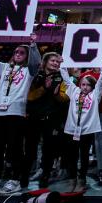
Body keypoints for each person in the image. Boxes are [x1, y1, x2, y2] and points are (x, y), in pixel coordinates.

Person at [0, 28, 40, 194]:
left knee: (15, 148)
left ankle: (15, 179)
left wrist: (33, 45)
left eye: (22, 52)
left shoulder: (29, 71)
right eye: (16, 52)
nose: (18, 54)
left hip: (16, 112)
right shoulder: (5, 68)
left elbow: (36, 63)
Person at [61, 64, 102, 192]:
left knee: (84, 156)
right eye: (83, 84)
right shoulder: (74, 91)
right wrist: (63, 64)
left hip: (86, 131)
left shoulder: (95, 95)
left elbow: (101, 81)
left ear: (92, 87)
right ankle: (72, 180)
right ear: (79, 85)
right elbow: (65, 78)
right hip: (72, 130)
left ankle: (82, 180)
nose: (85, 87)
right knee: (71, 156)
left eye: (88, 85)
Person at [26, 52, 69, 189]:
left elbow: (65, 98)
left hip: (52, 118)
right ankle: (24, 174)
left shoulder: (62, 77)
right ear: (45, 62)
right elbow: (29, 96)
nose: (55, 63)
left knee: (48, 148)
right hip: (34, 117)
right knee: (30, 147)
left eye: (58, 61)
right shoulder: (34, 76)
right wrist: (44, 88)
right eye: (52, 61)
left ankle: (45, 174)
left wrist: (56, 94)